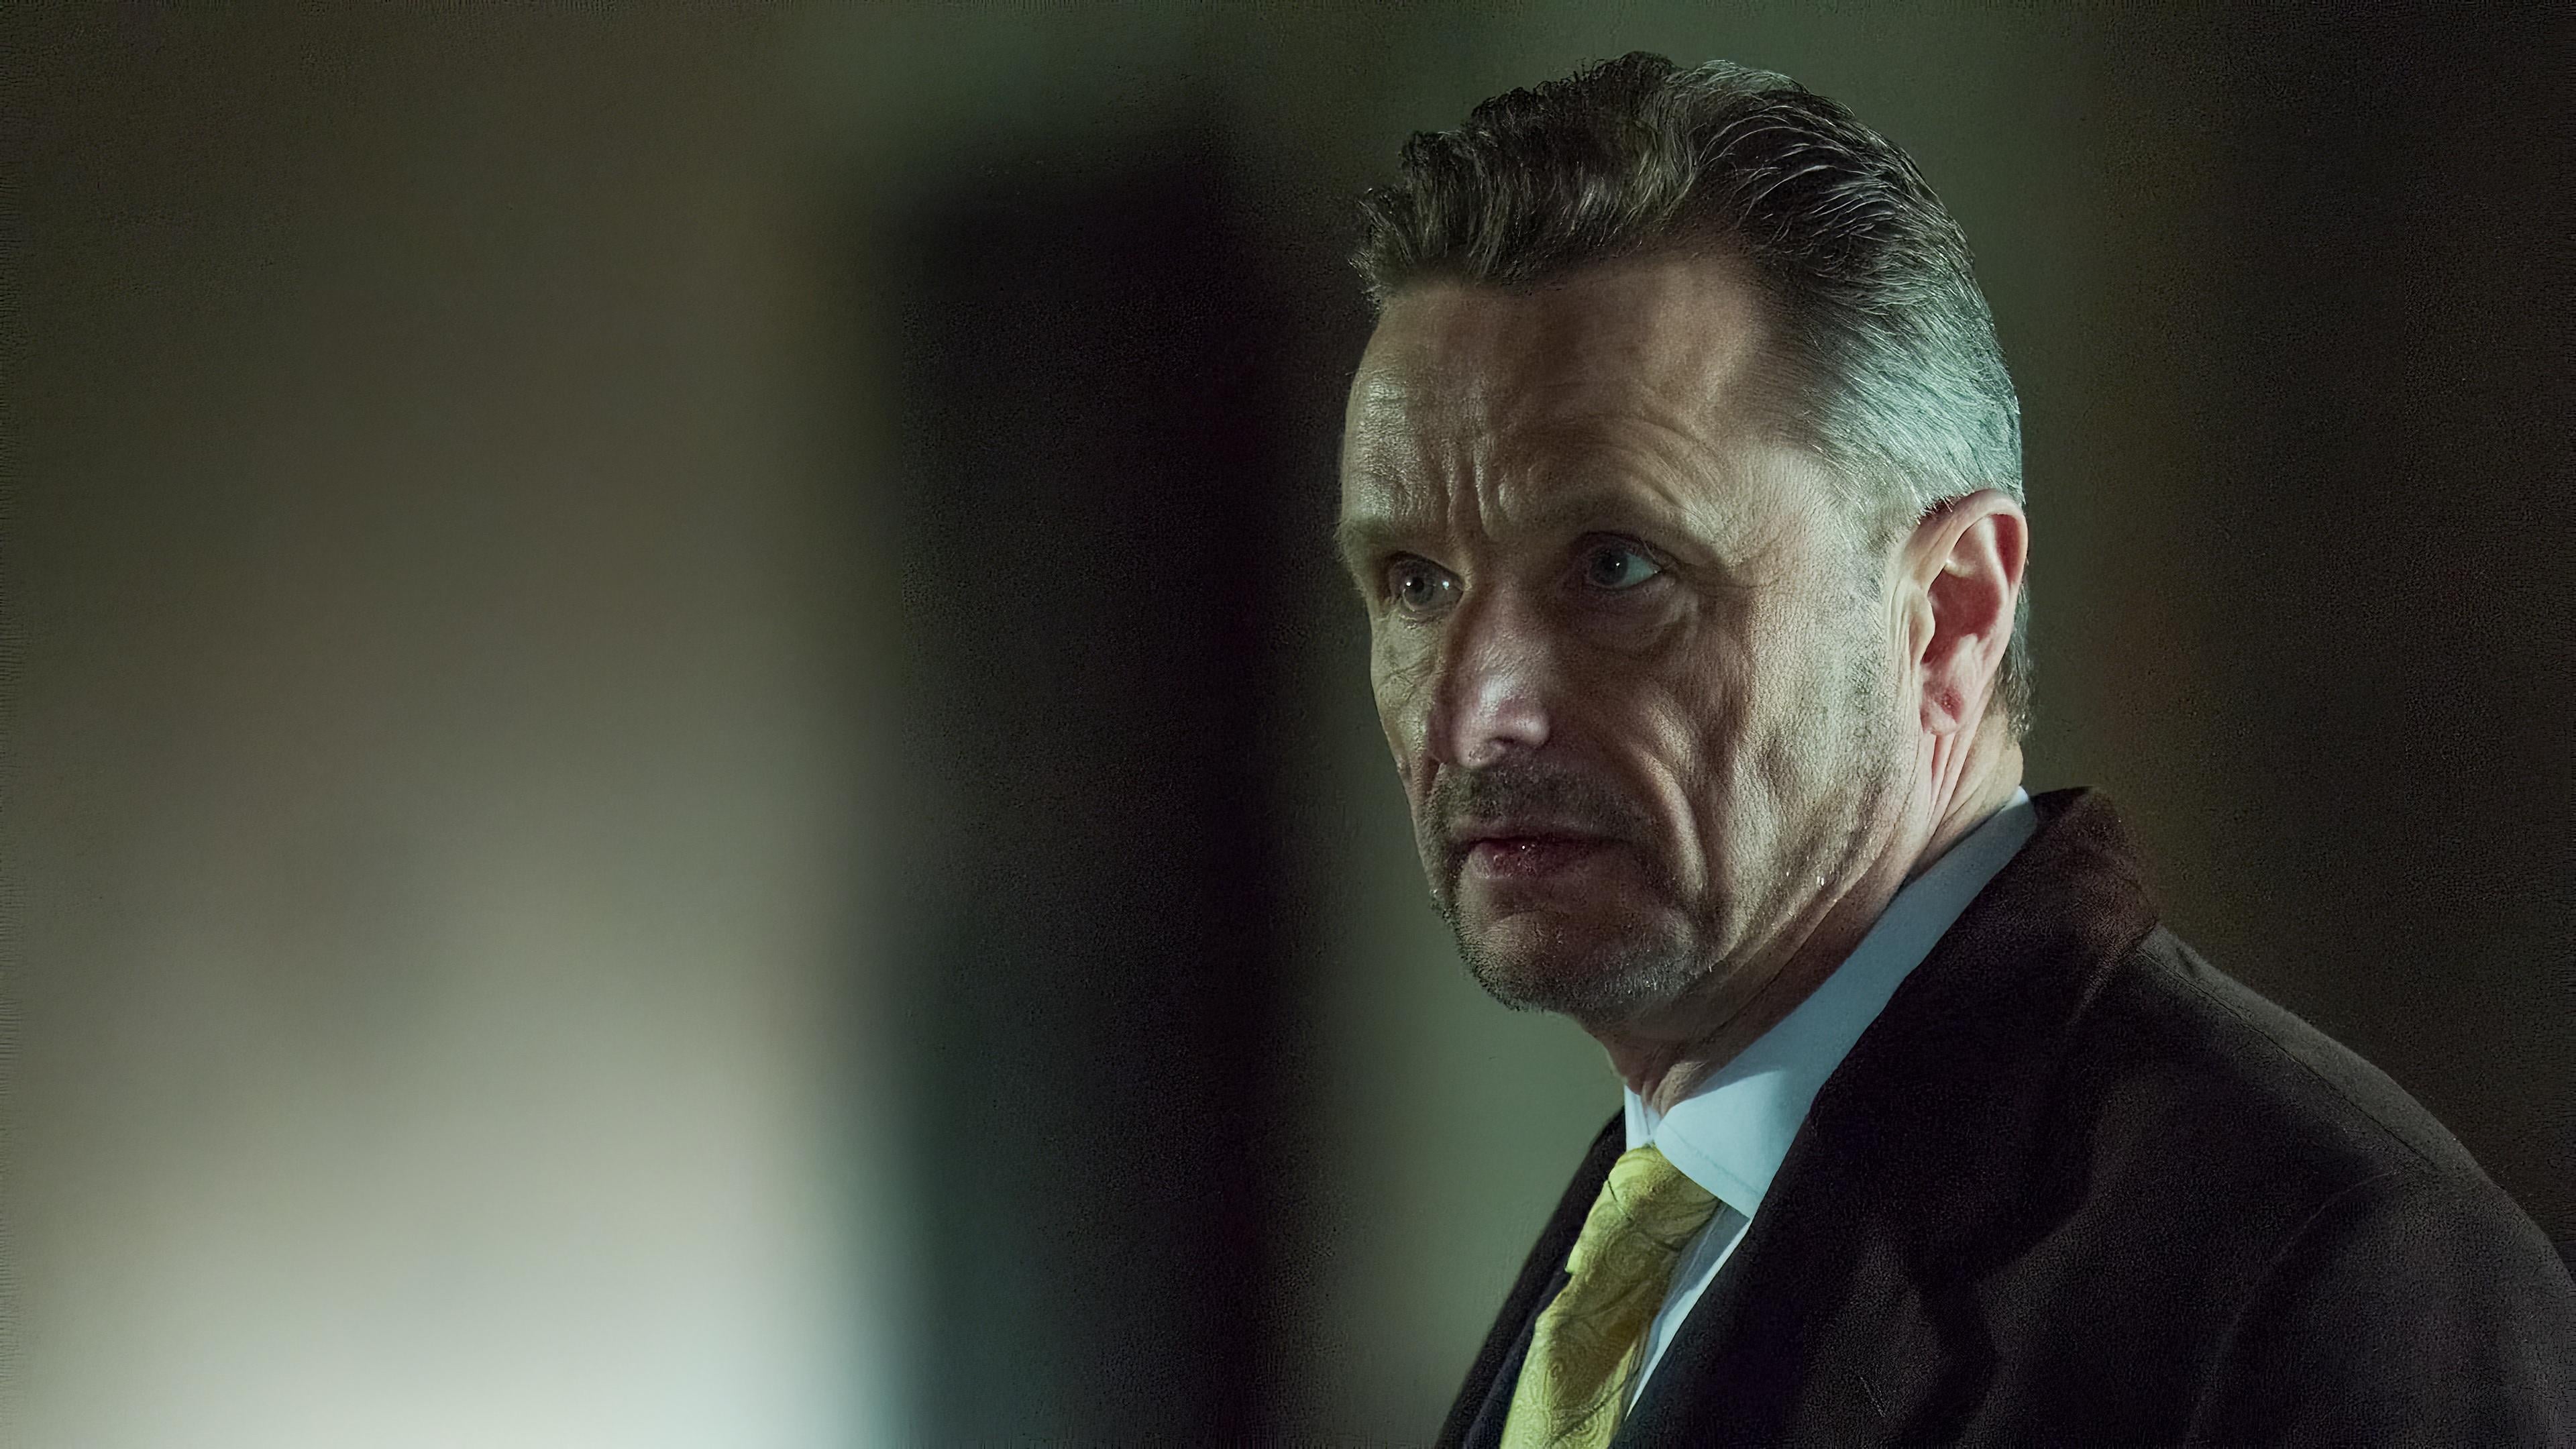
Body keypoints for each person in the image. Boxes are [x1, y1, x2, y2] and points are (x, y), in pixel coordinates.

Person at [1334, 52, 2575, 1447]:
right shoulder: (1650, 1227)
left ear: (1950, 616)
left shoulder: (2335, 1274)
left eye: (1616, 566)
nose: (1477, 714)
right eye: (1416, 583)